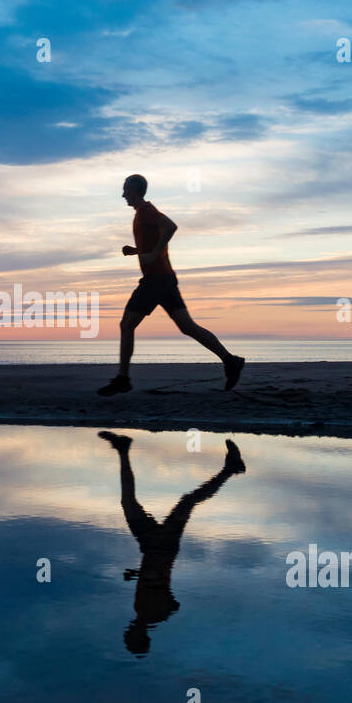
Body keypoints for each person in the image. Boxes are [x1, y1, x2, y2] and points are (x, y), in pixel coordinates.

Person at [98, 431, 246, 656]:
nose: (127, 631)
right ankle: (230, 469)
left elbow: (160, 588)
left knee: (139, 502)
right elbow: (171, 602)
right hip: (162, 548)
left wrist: (139, 574)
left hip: (150, 546)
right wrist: (159, 595)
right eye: (130, 636)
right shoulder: (151, 614)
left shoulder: (144, 613)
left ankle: (123, 449)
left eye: (127, 635)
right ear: (140, 636)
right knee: (184, 502)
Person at [97, 174, 245, 396]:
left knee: (127, 325)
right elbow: (156, 238)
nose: (123, 194)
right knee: (187, 327)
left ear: (135, 190)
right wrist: (137, 251)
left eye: (126, 190)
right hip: (165, 278)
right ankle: (230, 360)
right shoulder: (142, 213)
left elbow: (171, 227)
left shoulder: (146, 210)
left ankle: (123, 378)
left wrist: (153, 253)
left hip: (156, 280)